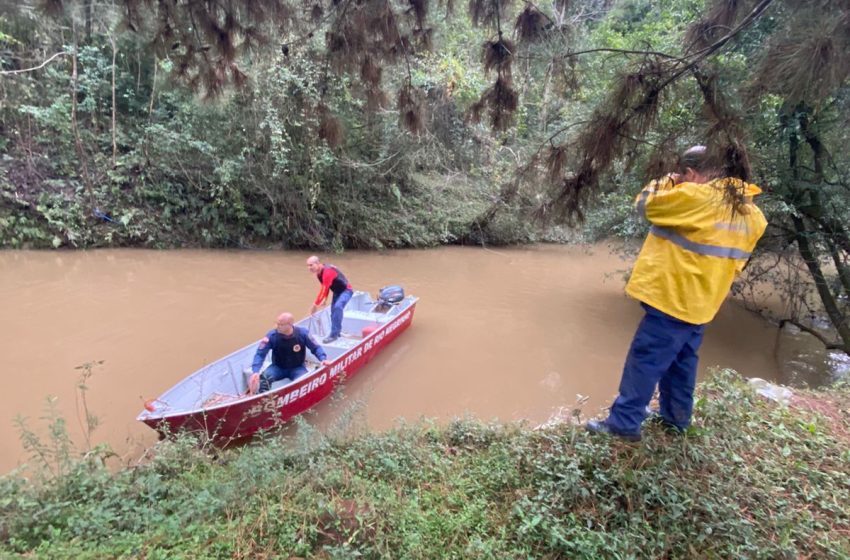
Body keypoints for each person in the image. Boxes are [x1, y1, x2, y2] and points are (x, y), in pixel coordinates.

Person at [586, 145, 768, 441]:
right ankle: (676, 419)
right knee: (682, 362)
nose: (680, 181)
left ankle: (623, 424)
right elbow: (736, 264)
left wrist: (668, 180)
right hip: (702, 305)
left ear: (692, 173)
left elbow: (646, 204)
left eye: (683, 176)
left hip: (673, 299)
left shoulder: (696, 197)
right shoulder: (752, 214)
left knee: (645, 360)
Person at [248, 312, 331, 394]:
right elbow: (260, 354)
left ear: (290, 324)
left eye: (280, 324)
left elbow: (315, 348)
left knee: (304, 382)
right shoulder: (272, 336)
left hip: (297, 368)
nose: (277, 326)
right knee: (264, 379)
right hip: (278, 367)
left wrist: (323, 359)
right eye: (277, 323)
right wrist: (256, 371)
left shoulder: (302, 333)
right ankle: (264, 398)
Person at [307, 255, 353, 343]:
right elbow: (326, 287)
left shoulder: (327, 271)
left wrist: (315, 305)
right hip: (337, 292)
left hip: (346, 291)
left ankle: (334, 335)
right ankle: (337, 332)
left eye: (311, 265)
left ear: (317, 263)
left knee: (338, 307)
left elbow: (323, 290)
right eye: (308, 266)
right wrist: (325, 299)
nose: (309, 268)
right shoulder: (319, 274)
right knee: (333, 313)